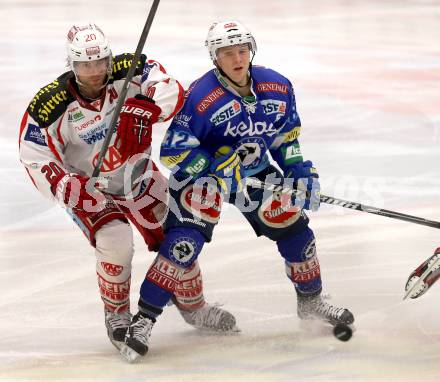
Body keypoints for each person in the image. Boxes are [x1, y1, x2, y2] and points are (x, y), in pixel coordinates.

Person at [119, 20, 355, 362]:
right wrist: (213, 164)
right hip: (204, 181)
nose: (237, 58)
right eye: (228, 53)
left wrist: (297, 171)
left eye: (242, 50)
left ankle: (312, 302)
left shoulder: (277, 85)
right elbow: (174, 150)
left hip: (254, 176)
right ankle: (143, 320)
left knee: (297, 233)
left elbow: (285, 138)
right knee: (182, 246)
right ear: (215, 57)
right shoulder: (201, 96)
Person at [18, 23, 236, 353]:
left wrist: (145, 109)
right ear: (72, 66)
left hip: (139, 177)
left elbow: (173, 91)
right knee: (115, 239)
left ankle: (193, 305)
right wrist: (69, 186)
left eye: (100, 63)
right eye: (84, 66)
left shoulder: (131, 70)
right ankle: (117, 315)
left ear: (108, 58)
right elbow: (34, 156)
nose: (94, 73)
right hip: (90, 189)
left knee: (177, 233)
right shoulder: (49, 105)